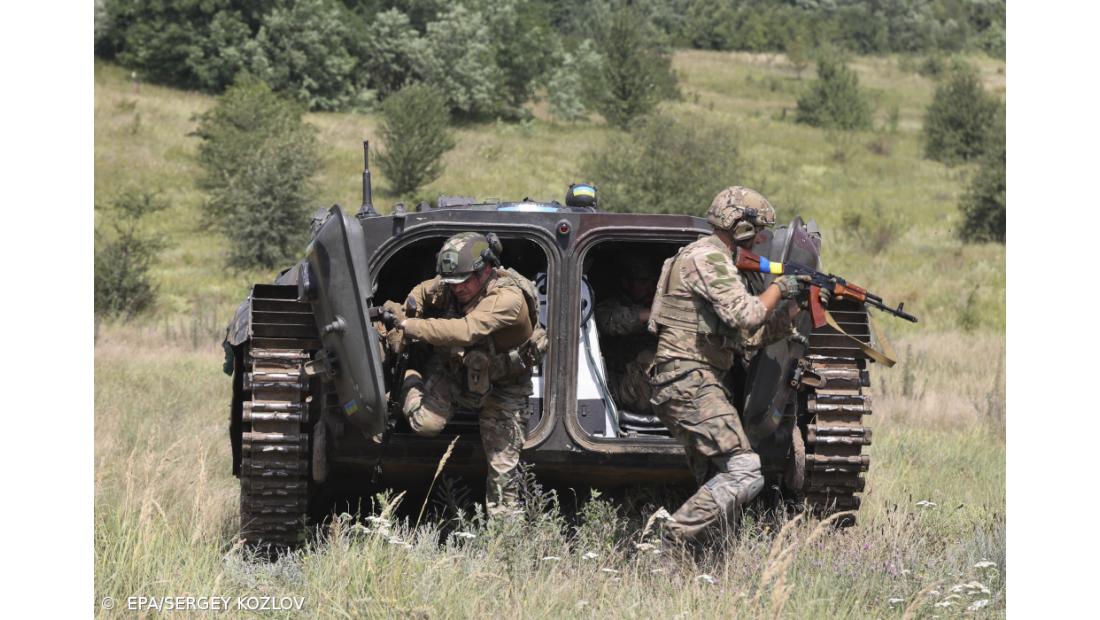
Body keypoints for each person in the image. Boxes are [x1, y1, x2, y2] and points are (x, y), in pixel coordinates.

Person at [646, 186, 814, 546]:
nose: (760, 241)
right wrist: (781, 288)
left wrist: (797, 308)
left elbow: (749, 338)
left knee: (716, 480)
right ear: (739, 226)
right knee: (744, 472)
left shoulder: (722, 261)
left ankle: (701, 564)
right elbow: (746, 313)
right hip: (687, 377)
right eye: (757, 232)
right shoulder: (706, 257)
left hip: (698, 378)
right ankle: (670, 540)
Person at [387, 232, 548, 517]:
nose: (456, 289)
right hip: (455, 373)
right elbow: (424, 291)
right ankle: (408, 379)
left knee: (503, 472)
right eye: (452, 283)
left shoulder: (508, 299)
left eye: (463, 282)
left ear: (485, 269)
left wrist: (409, 326)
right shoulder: (454, 282)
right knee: (425, 424)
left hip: (504, 387)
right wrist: (409, 308)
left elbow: (465, 330)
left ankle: (504, 537)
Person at [595, 254, 658, 416]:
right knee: (648, 358)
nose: (650, 288)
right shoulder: (610, 307)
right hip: (619, 386)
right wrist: (648, 315)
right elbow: (608, 322)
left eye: (653, 282)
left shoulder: (657, 304)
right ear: (626, 283)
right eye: (643, 283)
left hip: (651, 385)